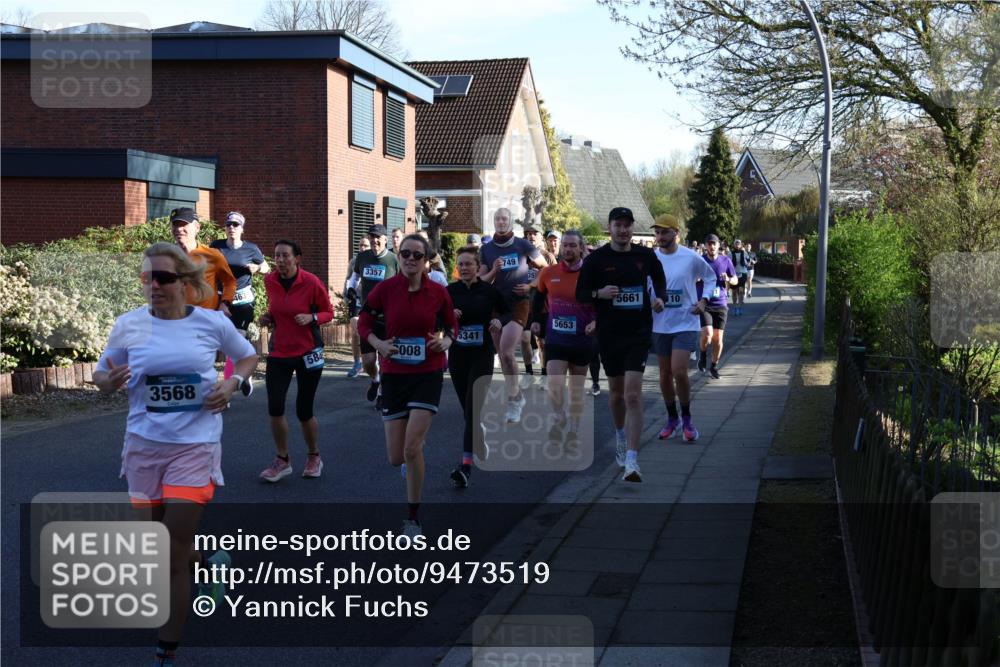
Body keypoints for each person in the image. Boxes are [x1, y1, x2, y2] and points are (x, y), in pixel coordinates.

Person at [94, 242, 257, 667]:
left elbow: (247, 357)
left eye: (163, 278)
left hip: (195, 446)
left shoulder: (211, 323)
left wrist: (233, 384)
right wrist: (107, 381)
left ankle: (166, 651)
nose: (154, 286)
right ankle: (209, 560)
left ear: (186, 283)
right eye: (148, 278)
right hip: (144, 446)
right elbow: (101, 372)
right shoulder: (129, 325)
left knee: (170, 550)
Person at [359, 234, 458, 536]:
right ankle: (413, 450)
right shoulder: (386, 290)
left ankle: (412, 518)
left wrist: (447, 340)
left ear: (427, 261)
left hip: (428, 373)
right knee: (396, 457)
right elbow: (363, 320)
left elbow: (452, 323)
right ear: (399, 256)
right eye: (405, 254)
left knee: (412, 449)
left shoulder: (438, 292)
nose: (410, 259)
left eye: (417, 255)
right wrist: (377, 343)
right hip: (394, 375)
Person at [577, 207, 666, 483]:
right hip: (609, 334)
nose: (624, 230)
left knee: (633, 395)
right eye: (619, 225)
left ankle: (632, 459)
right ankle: (619, 435)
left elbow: (660, 280)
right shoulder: (597, 259)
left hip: (638, 332)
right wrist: (598, 293)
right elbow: (581, 293)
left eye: (628, 225)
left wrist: (660, 298)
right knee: (615, 394)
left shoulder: (645, 255)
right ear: (610, 227)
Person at [258, 240, 334, 482]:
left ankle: (314, 456)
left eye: (285, 256)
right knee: (275, 407)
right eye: (277, 256)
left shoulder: (310, 282)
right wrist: (268, 317)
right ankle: (282, 460)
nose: (280, 260)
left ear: (297, 258)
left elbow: (328, 313)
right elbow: (277, 311)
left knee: (304, 410)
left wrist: (311, 317)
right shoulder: (270, 281)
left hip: (308, 353)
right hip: (280, 352)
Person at [651, 216, 717, 442]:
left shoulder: (690, 257)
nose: (659, 237)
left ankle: (687, 418)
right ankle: (672, 419)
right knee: (664, 374)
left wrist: (703, 300)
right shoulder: (651, 258)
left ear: (675, 233)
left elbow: (710, 277)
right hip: (660, 323)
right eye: (657, 233)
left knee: (679, 370)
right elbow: (645, 285)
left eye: (664, 232)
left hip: (686, 321)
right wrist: (653, 300)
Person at [447, 246, 507, 488]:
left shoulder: (488, 291)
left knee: (472, 410)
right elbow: (435, 318)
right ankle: (478, 436)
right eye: (460, 264)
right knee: (467, 411)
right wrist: (447, 315)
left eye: (468, 264)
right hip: (458, 356)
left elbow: (507, 312)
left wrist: (497, 320)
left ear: (477, 266)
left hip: (482, 355)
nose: (463, 268)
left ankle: (466, 466)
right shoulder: (449, 292)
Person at [479, 208, 547, 422]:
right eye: (497, 218)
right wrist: (494, 271)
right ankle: (516, 396)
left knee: (507, 352)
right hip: (496, 305)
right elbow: (481, 281)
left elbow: (545, 268)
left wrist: (530, 285)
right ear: (494, 221)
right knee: (503, 356)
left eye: (505, 219)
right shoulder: (487, 249)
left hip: (519, 303)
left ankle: (513, 401)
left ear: (510, 222)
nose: (501, 222)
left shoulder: (523, 245)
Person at [532, 230, 595, 449]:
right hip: (556, 337)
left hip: (582, 339)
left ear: (581, 248)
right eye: (564, 245)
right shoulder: (549, 273)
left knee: (576, 390)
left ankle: (574, 431)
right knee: (555, 383)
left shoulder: (591, 274)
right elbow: (538, 296)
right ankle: (560, 418)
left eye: (572, 246)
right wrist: (537, 320)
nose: (567, 249)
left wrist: (596, 322)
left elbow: (603, 303)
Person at [210, 211, 269, 395]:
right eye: (228, 225)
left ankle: (229, 387)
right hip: (221, 300)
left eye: (236, 225)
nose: (231, 228)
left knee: (235, 339)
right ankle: (243, 373)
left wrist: (257, 267)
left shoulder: (251, 249)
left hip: (243, 300)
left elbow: (267, 268)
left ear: (242, 229)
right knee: (225, 343)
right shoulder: (217, 246)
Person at [349, 224, 400, 405]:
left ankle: (382, 393)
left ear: (385, 239)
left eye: (378, 237)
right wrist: (350, 289)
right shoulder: (362, 257)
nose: (374, 240)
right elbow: (354, 278)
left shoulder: (394, 260)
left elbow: (403, 284)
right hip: (367, 316)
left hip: (388, 318)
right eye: (371, 237)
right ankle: (375, 379)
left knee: (385, 358)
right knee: (369, 361)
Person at [169, 207, 237, 314]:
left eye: (183, 224)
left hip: (205, 320)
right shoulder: (165, 256)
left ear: (197, 227)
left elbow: (230, 282)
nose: (178, 229)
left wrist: (225, 303)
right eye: (175, 225)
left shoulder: (212, 255)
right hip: (175, 320)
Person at [697, 234, 738, 380]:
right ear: (705, 246)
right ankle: (702, 356)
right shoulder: (700, 261)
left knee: (718, 339)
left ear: (718, 245)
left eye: (714, 244)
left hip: (721, 304)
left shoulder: (725, 260)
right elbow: (690, 277)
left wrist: (728, 279)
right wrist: (697, 278)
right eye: (709, 244)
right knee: (707, 334)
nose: (711, 246)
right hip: (705, 304)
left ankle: (714, 366)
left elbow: (735, 279)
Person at [345, 237, 372, 378]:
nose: (362, 248)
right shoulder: (354, 261)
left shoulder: (375, 260)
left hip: (370, 301)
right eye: (360, 245)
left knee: (369, 331)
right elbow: (349, 278)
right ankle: (357, 363)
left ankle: (372, 362)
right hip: (356, 299)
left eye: (365, 245)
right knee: (355, 332)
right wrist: (348, 294)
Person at [730, 239, 751, 316]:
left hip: (743, 273)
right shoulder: (730, 253)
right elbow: (727, 263)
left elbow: (749, 260)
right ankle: (735, 307)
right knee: (734, 292)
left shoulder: (744, 253)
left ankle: (740, 307)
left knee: (741, 291)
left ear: (741, 245)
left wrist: (748, 264)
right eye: (736, 243)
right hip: (734, 274)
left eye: (739, 244)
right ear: (734, 245)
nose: (737, 245)